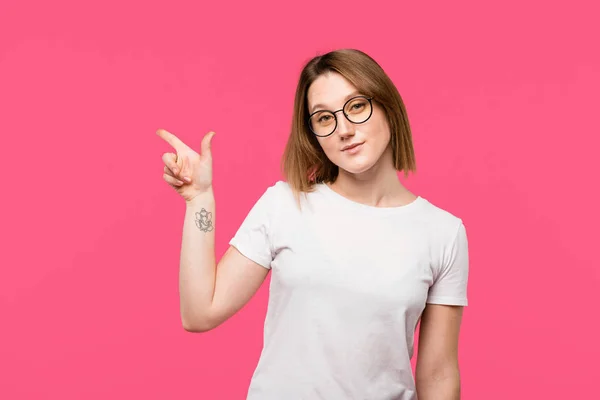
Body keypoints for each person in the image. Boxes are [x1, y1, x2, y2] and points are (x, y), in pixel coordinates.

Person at [157, 48, 469, 400]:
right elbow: (200, 313)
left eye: (356, 106)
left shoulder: (443, 232)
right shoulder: (285, 205)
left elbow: (439, 374)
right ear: (314, 134)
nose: (345, 130)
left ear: (387, 106)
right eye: (324, 118)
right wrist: (199, 199)